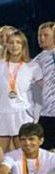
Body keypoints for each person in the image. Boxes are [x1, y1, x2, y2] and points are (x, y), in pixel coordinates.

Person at [0, 30, 43, 165]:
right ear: (6, 45)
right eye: (11, 42)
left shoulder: (33, 66)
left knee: (25, 158)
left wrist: (36, 117)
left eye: (18, 42)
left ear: (23, 45)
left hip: (23, 116)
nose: (14, 45)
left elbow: (40, 94)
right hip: (1, 115)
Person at [34, 22, 55, 150]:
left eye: (46, 35)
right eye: (39, 35)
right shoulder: (36, 61)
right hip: (44, 114)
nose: (41, 38)